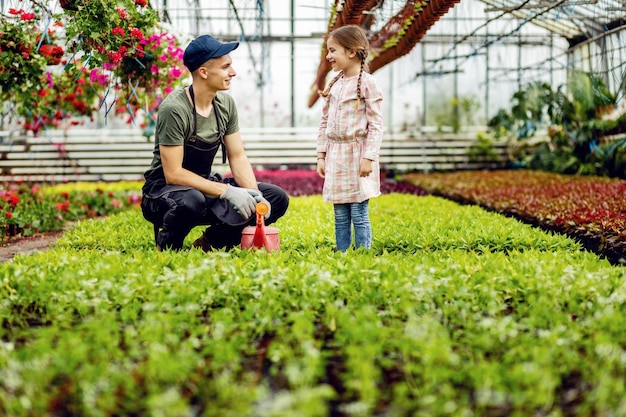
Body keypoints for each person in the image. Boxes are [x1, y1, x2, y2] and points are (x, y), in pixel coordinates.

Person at [141, 34, 289, 251]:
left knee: (275, 198)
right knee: (191, 201)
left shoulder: (225, 104)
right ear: (204, 72)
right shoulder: (175, 109)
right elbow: (173, 173)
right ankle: (169, 248)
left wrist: (253, 194)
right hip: (163, 191)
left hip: (204, 184)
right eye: (226, 67)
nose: (233, 72)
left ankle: (210, 243)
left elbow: (237, 156)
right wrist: (226, 191)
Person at [316, 25, 383, 252]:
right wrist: (321, 155)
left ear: (352, 52)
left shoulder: (367, 82)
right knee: (340, 213)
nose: (328, 56)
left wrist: (369, 157)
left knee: (358, 211)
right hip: (336, 155)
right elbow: (324, 123)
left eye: (333, 50)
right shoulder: (334, 84)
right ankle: (342, 253)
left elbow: (376, 124)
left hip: (358, 156)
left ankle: (362, 254)